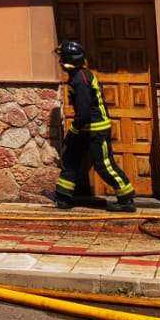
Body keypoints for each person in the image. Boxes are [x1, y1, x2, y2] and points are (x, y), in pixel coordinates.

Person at [53, 40, 136, 211]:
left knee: (104, 165)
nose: (60, 61)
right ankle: (63, 197)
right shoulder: (78, 76)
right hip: (85, 129)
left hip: (96, 131)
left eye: (62, 58)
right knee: (70, 160)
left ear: (69, 60)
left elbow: (83, 113)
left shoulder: (80, 80)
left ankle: (126, 199)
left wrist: (73, 131)